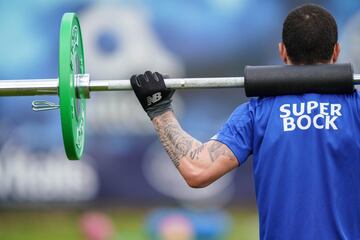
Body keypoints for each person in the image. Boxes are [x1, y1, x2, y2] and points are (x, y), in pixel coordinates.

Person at [130, 4, 360, 240]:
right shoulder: (356, 108)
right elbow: (198, 173)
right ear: (337, 51)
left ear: (282, 52)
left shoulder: (257, 112)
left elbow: (197, 168)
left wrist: (159, 110)